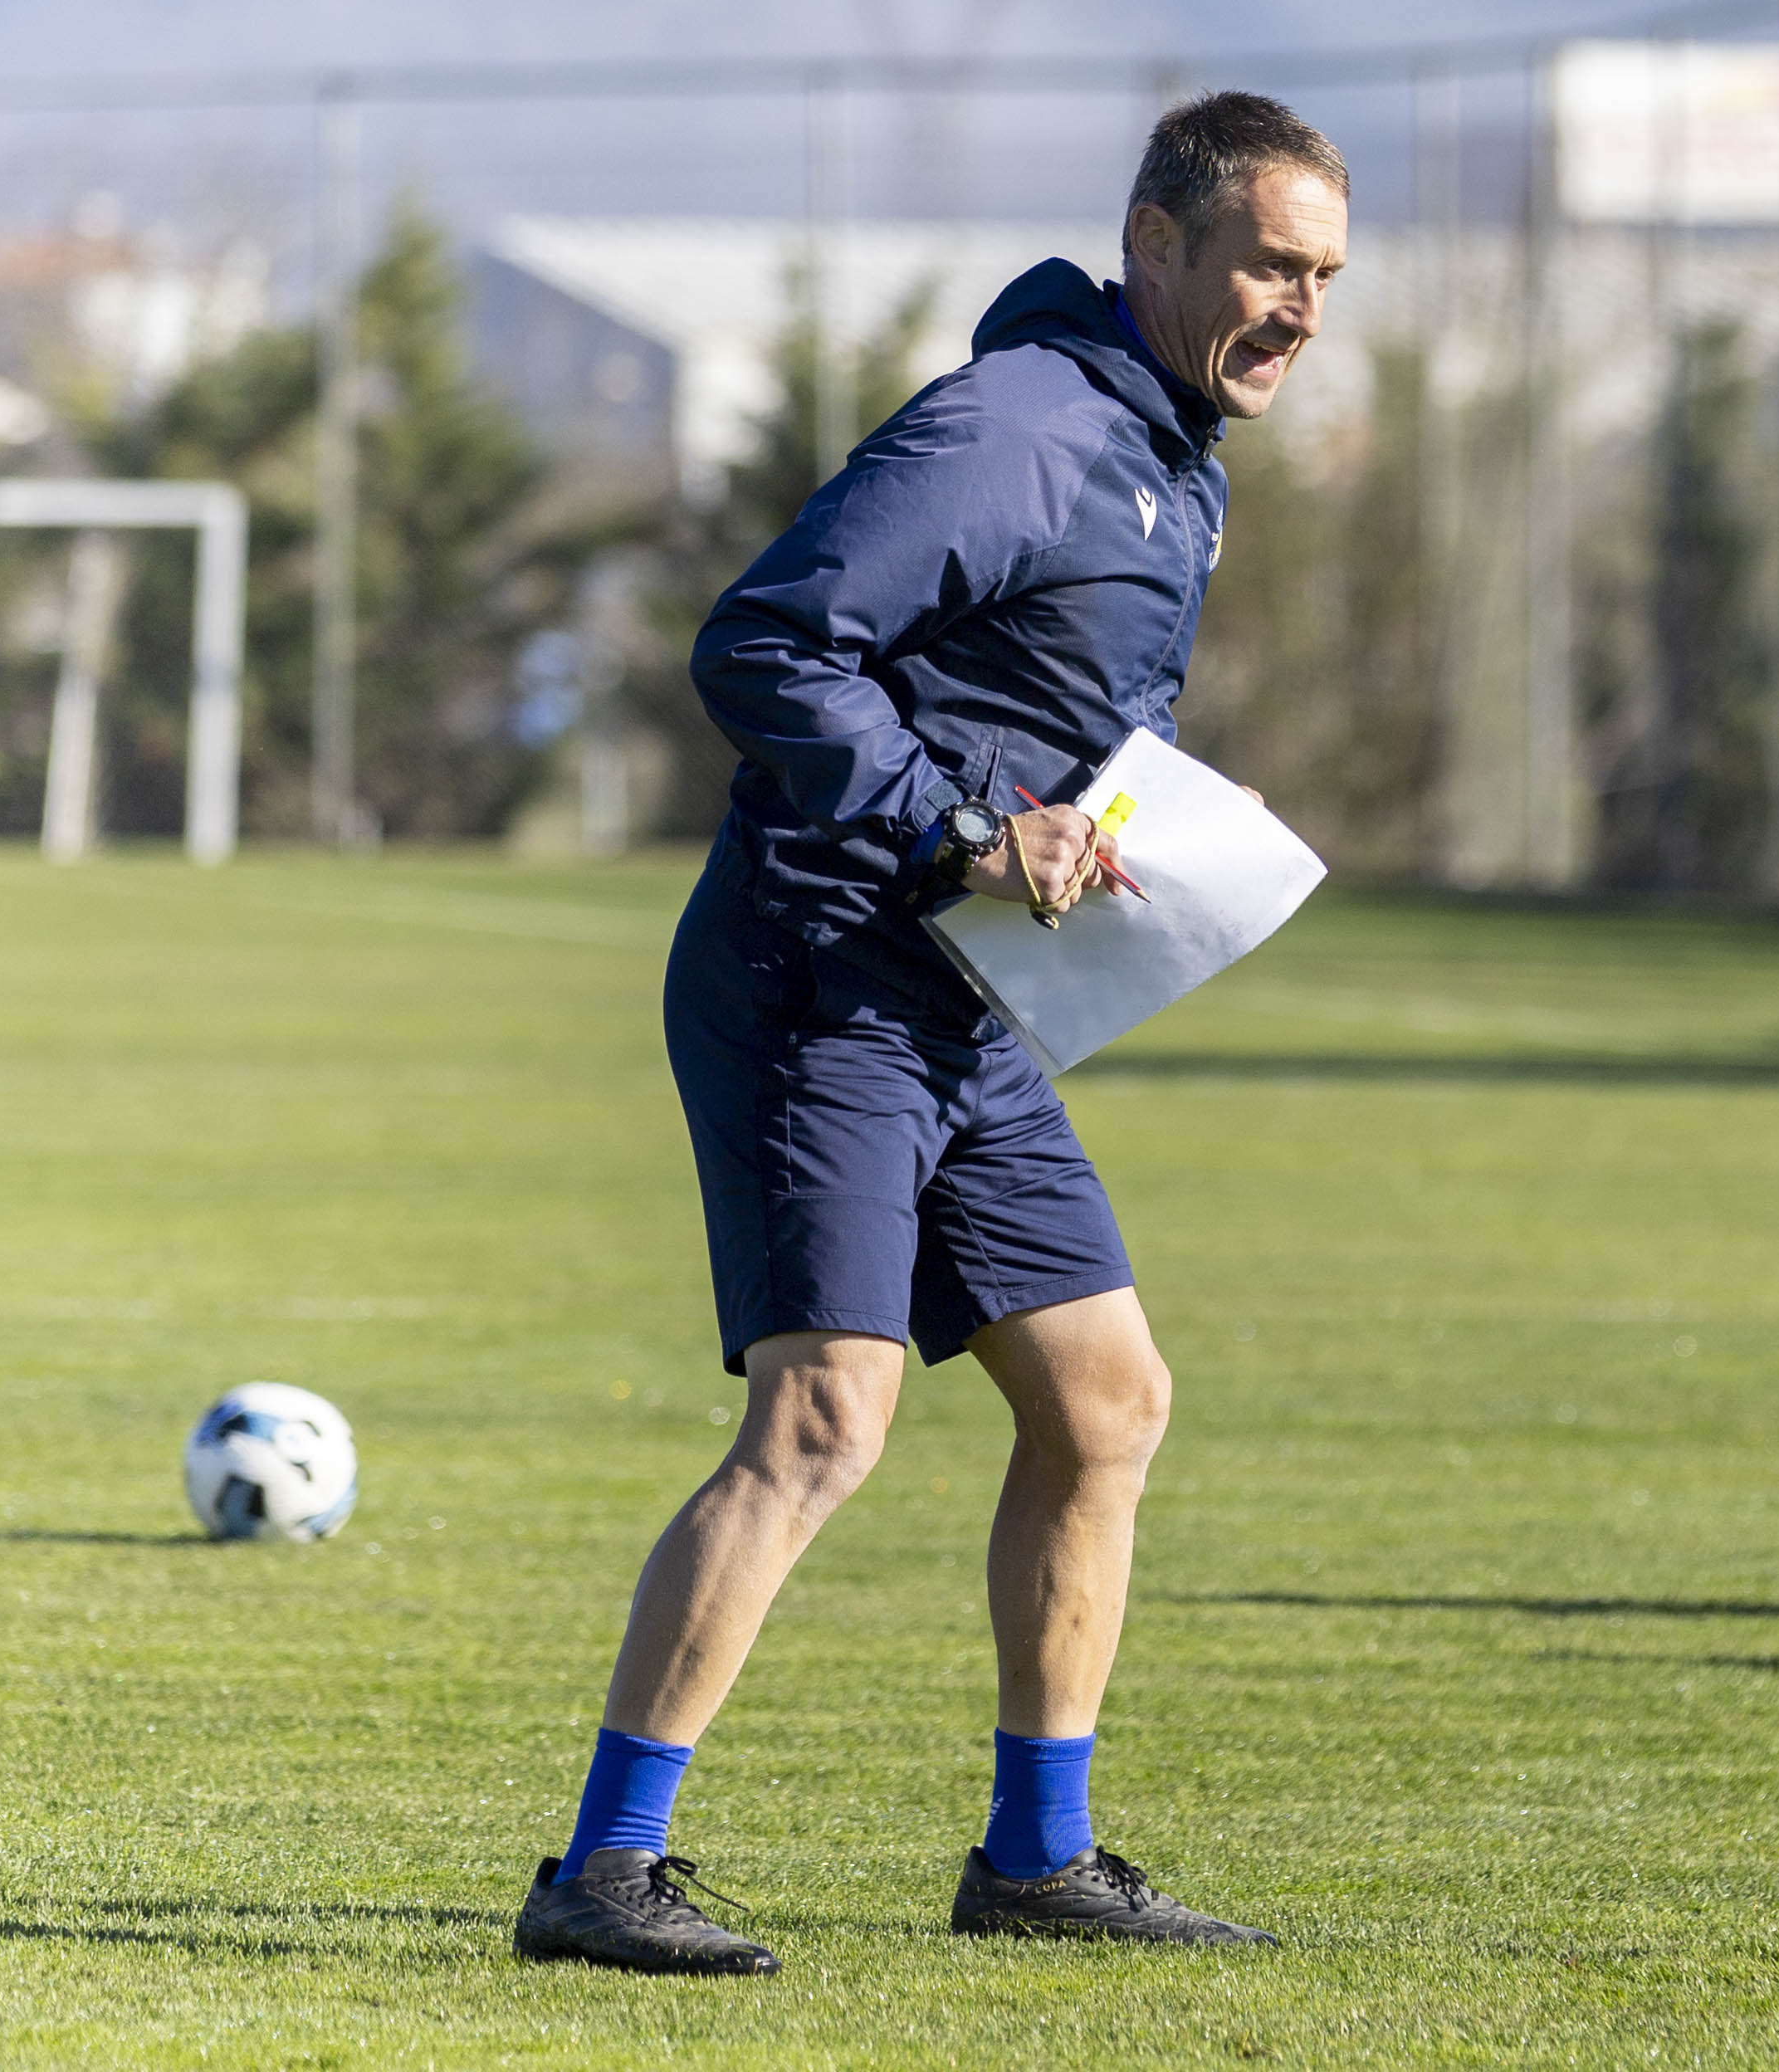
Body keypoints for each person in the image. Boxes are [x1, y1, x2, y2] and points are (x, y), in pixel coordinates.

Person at [511, 90, 1347, 1978]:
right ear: (1154, 243)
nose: (1299, 307)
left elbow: (1009, 705)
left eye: (1322, 277)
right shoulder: (1019, 426)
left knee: (1106, 1400)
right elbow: (762, 644)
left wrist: (1095, 833)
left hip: (968, 998)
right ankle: (600, 1870)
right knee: (825, 1415)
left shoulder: (1169, 451)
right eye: (1268, 265)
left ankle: (1034, 1861)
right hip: (823, 972)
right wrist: (961, 828)